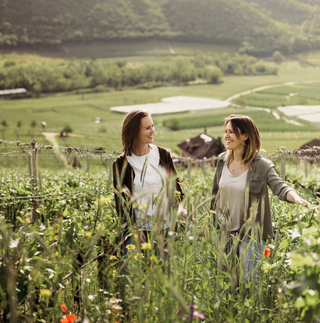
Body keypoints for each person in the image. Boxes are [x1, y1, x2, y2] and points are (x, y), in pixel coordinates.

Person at [211, 114, 308, 283]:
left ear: (245, 136)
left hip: (251, 235)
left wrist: (298, 199)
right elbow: (214, 196)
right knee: (227, 284)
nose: (226, 135)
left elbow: (280, 186)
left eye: (232, 132)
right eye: (226, 131)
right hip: (224, 234)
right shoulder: (222, 161)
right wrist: (210, 225)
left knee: (248, 285)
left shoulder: (261, 165)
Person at [113, 110, 186, 256]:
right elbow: (122, 203)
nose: (153, 131)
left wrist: (182, 211)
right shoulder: (121, 163)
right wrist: (133, 230)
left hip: (169, 228)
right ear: (133, 132)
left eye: (152, 126)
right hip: (141, 232)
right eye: (147, 128)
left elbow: (176, 189)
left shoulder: (163, 154)